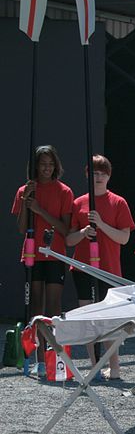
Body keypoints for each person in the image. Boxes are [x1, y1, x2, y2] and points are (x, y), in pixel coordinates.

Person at [66, 155, 135, 380]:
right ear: (87, 175)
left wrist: (102, 225)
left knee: (110, 320)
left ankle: (114, 367)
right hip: (83, 269)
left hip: (108, 269)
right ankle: (95, 366)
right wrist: (85, 232)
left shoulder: (118, 202)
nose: (98, 177)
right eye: (94, 173)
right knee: (89, 318)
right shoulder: (78, 203)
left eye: (102, 173)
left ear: (109, 176)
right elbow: (70, 240)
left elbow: (124, 238)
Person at [12, 145, 74, 380]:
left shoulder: (64, 191)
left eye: (50, 164)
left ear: (55, 165)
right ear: (35, 166)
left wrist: (40, 210)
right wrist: (27, 201)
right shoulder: (25, 190)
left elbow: (65, 229)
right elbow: (20, 228)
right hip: (32, 254)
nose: (46, 168)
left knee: (54, 309)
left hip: (55, 255)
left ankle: (55, 356)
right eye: (42, 164)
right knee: (35, 308)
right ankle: (37, 360)